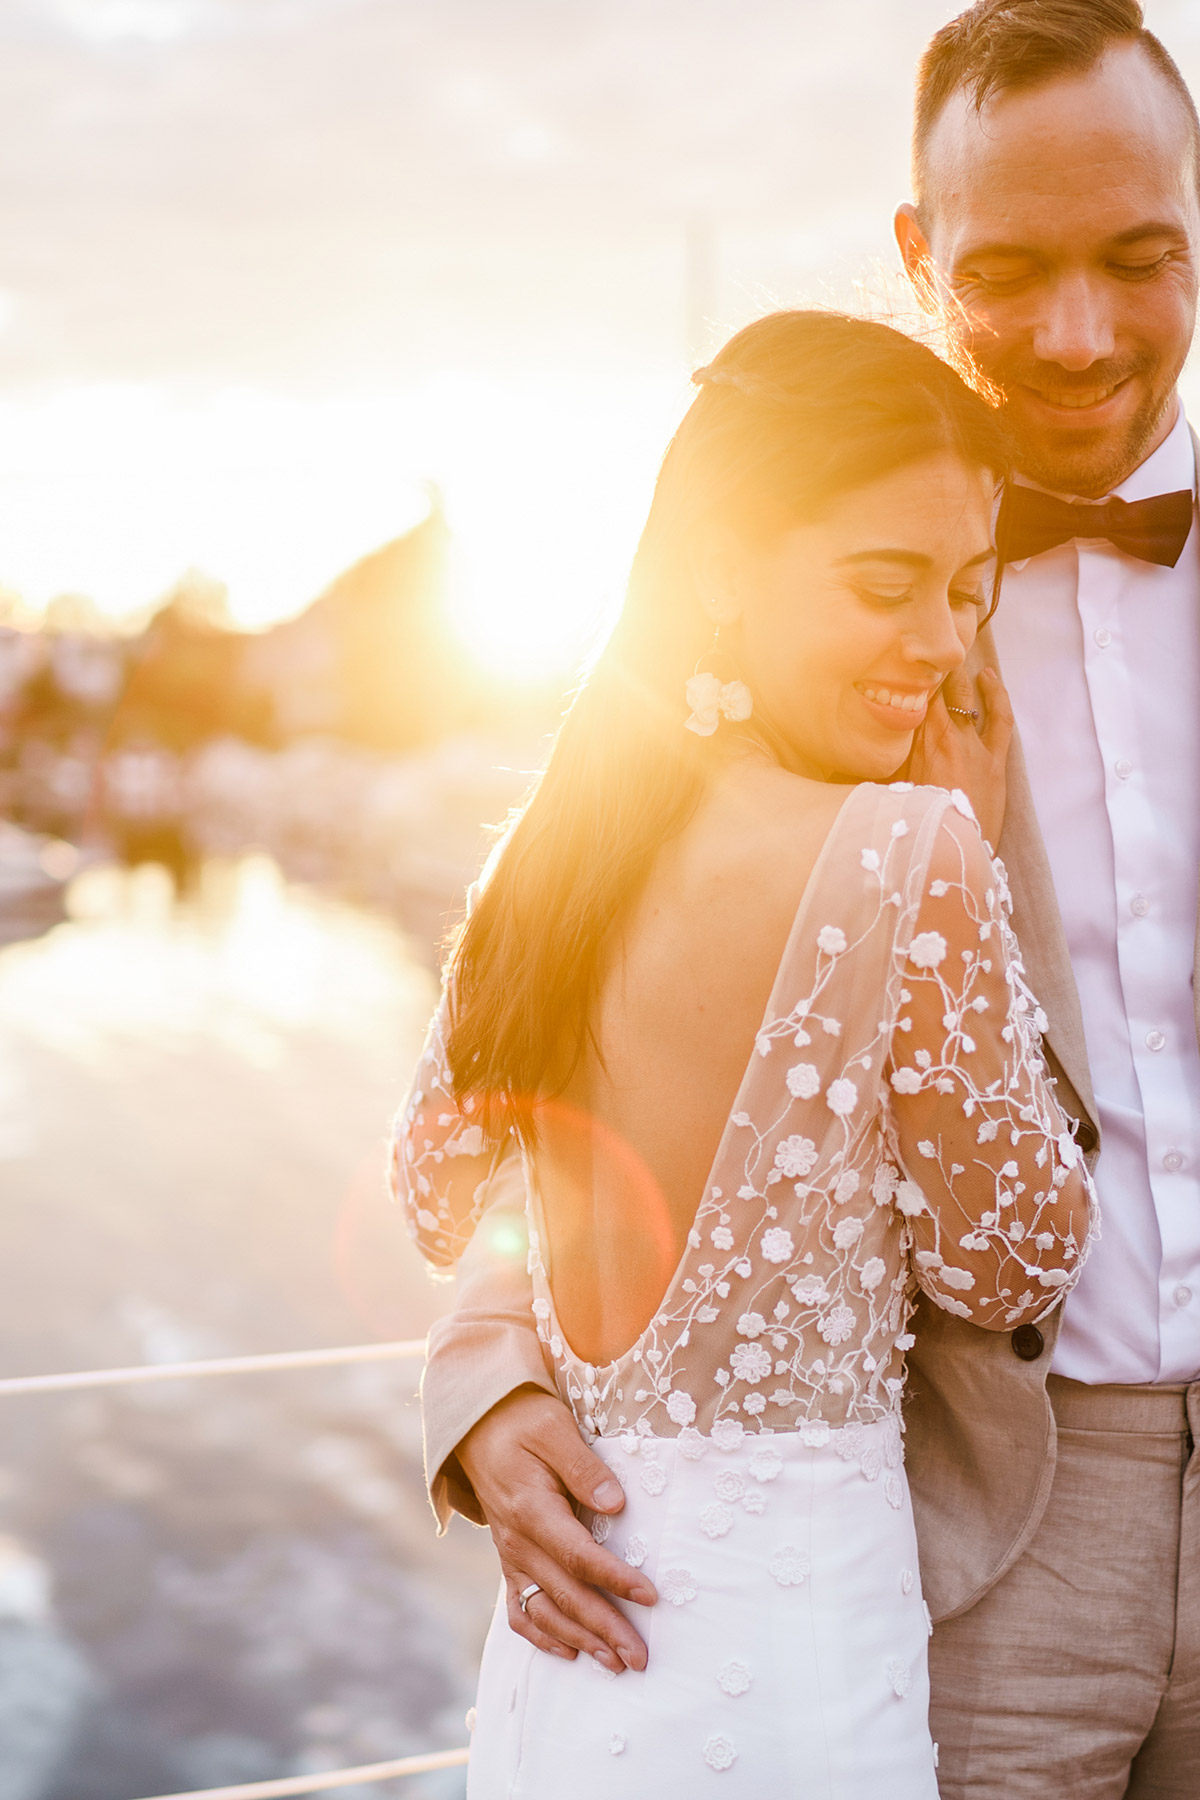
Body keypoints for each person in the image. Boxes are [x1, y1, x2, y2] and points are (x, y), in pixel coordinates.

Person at [417, 4, 1200, 1796]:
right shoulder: (826, 603)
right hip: (979, 1528)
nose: (1080, 334)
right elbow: (545, 1044)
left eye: (1141, 257)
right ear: (920, 259)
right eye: (1010, 271)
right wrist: (488, 1371)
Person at [391, 308, 1094, 1794]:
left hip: (568, 1662)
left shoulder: (552, 864)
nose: (941, 644)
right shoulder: (912, 850)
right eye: (886, 585)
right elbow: (1014, 1258)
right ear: (722, 568)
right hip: (793, 1668)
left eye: (967, 592)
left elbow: (440, 1190)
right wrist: (967, 865)